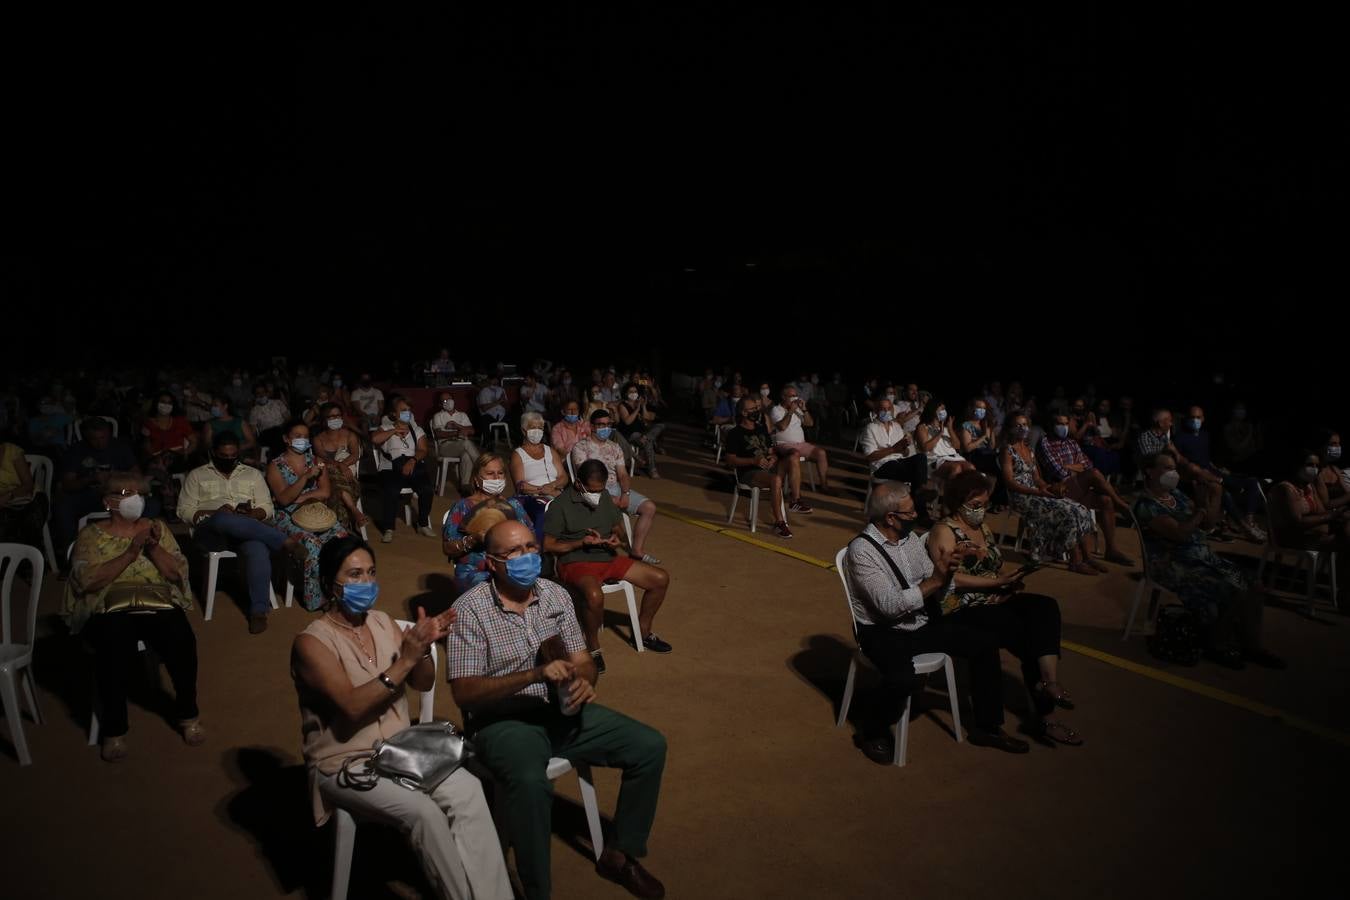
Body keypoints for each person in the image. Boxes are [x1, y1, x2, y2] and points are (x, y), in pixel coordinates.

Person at [448, 520, 668, 900]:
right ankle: (537, 891)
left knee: (649, 746)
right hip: (502, 722)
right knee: (532, 785)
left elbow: (583, 660)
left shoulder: (555, 595)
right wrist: (533, 674)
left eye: (531, 548)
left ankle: (620, 853)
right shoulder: (470, 610)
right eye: (513, 553)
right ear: (492, 563)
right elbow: (465, 694)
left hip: (559, 708)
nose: (526, 558)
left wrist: (584, 681)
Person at [292, 536, 512, 900]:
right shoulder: (312, 643)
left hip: (398, 751)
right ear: (332, 584)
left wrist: (422, 650)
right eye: (355, 574)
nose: (367, 583)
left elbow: (423, 681)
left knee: (470, 791)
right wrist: (406, 658)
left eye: (372, 573)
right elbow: (351, 707)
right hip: (344, 762)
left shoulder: (380, 621)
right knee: (422, 813)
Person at [844, 482, 1030, 763]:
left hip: (919, 623)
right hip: (882, 631)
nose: (916, 515)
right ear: (890, 518)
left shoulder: (908, 540)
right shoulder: (862, 551)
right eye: (909, 513)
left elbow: (936, 580)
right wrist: (934, 580)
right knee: (902, 678)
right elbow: (889, 607)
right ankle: (872, 730)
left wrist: (948, 568)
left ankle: (988, 728)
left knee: (983, 643)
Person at [926, 472, 1082, 745]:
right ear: (957, 502)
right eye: (974, 505)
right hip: (962, 606)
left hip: (994, 597)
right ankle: (1043, 717)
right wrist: (995, 583)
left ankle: (1049, 681)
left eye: (984, 504)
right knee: (1026, 632)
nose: (981, 510)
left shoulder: (984, 529)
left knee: (1044, 607)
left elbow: (995, 567)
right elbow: (949, 578)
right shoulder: (944, 530)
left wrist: (1010, 580)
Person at [64, 472, 204, 761]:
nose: (134, 499)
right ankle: (115, 730)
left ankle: (188, 715)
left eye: (138, 493)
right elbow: (87, 580)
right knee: (112, 649)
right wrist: (131, 552)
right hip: (108, 606)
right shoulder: (91, 535)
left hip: (156, 600)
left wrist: (152, 546)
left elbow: (177, 572)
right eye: (125, 493)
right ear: (108, 501)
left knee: (182, 641)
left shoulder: (157, 528)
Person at [1134, 451, 1285, 668]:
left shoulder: (1177, 495)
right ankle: (1218, 644)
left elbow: (1207, 525)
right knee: (1235, 588)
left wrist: (1212, 498)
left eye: (1174, 468)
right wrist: (1201, 509)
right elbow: (1181, 533)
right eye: (1167, 468)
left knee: (1253, 583)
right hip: (1174, 565)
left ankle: (1252, 646)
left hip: (1203, 559)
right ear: (1149, 471)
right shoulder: (1146, 505)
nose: (1173, 473)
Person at [544, 459, 673, 671]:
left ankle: (643, 631)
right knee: (595, 595)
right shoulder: (560, 506)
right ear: (578, 484)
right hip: (575, 562)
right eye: (592, 490)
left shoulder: (604, 498)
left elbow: (619, 531)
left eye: (601, 489)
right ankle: (592, 647)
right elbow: (548, 545)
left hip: (607, 557)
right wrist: (581, 542)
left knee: (660, 579)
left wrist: (617, 539)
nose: (597, 494)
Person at [179, 432, 303, 633]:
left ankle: (258, 612)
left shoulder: (252, 474)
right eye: (223, 456)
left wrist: (254, 513)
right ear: (213, 453)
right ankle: (284, 542)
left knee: (257, 548)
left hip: (246, 529)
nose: (229, 460)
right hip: (211, 533)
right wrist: (213, 513)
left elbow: (267, 507)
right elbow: (184, 510)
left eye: (233, 456)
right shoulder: (197, 475)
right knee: (223, 519)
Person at [1001, 415, 1103, 575]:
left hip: (1036, 493)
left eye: (1025, 425)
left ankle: (1087, 557)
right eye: (1018, 425)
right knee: (1067, 512)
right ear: (1010, 428)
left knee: (1079, 508)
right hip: (1021, 496)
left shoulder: (1029, 450)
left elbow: (1036, 478)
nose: (1023, 428)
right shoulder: (1007, 451)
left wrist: (1048, 488)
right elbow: (1009, 482)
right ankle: (1075, 561)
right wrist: (1037, 491)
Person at [265, 420, 351, 610]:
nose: (302, 440)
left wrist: (298, 496)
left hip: (315, 513)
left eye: (305, 436)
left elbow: (325, 492)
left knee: (342, 538)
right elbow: (284, 501)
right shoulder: (275, 466)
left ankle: (339, 589)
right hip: (285, 517)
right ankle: (316, 599)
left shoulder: (316, 461)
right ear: (286, 439)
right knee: (312, 545)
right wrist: (305, 477)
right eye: (297, 436)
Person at [1037, 413, 1135, 565]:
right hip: (1058, 491)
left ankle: (1111, 549)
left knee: (1105, 500)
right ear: (1051, 425)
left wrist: (1071, 467)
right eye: (1059, 423)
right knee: (1094, 474)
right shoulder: (1045, 442)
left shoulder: (1072, 443)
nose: (1062, 427)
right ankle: (1121, 504)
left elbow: (1087, 464)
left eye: (1065, 423)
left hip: (1077, 488)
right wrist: (1078, 469)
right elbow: (1059, 472)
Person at [571, 410, 660, 562]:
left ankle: (637, 550)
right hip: (593, 490)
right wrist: (607, 496)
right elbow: (585, 477)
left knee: (649, 507)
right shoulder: (581, 447)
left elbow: (623, 474)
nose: (605, 428)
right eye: (601, 425)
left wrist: (625, 493)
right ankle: (606, 550)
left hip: (616, 487)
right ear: (592, 426)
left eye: (608, 424)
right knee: (611, 506)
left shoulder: (615, 447)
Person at [442, 453, 533, 596]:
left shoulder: (514, 505)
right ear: (477, 479)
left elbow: (532, 538)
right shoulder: (463, 506)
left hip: (512, 568)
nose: (496, 478)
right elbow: (448, 548)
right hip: (475, 571)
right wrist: (473, 540)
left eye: (500, 473)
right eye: (490, 473)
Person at [1173, 405, 1267, 542]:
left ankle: (1250, 521)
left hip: (1213, 471)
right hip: (1198, 475)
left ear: (1203, 419)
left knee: (1253, 482)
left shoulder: (1205, 436)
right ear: (1187, 419)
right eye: (1192, 417)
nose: (1195, 420)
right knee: (1225, 493)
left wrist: (1216, 467)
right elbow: (1181, 463)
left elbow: (1205, 458)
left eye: (1198, 417)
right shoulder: (1180, 438)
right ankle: (1246, 527)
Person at [55, 417, 140, 556]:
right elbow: (68, 484)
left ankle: (134, 550)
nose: (100, 442)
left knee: (149, 504)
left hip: (118, 494)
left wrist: (115, 475)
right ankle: (71, 555)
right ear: (87, 437)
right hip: (88, 495)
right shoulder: (77, 450)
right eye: (94, 439)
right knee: (63, 506)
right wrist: (91, 478)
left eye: (103, 437)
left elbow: (137, 475)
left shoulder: (120, 447)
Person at [723, 396, 797, 537]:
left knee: (792, 457)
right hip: (748, 473)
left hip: (767, 469)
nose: (757, 411)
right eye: (753, 409)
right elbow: (730, 460)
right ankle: (779, 523)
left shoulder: (761, 429)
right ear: (744, 413)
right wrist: (753, 461)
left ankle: (797, 499)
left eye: (757, 408)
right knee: (775, 480)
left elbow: (771, 452)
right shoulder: (735, 433)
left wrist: (773, 458)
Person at [370, 396, 436, 542]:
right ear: (394, 414)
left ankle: (423, 523)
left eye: (409, 410)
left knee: (426, 489)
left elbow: (423, 449)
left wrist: (413, 460)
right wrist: (394, 431)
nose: (408, 413)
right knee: (391, 490)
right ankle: (389, 528)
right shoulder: (386, 427)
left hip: (412, 464)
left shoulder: (416, 429)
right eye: (403, 410)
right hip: (391, 467)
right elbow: (375, 439)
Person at [859, 397, 928, 517]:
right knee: (908, 471)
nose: (886, 412)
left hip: (899, 461)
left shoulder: (896, 427)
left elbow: (905, 453)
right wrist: (893, 449)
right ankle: (919, 503)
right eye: (882, 409)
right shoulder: (870, 428)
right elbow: (870, 456)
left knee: (920, 458)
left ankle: (918, 493)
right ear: (876, 411)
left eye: (888, 409)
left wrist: (905, 447)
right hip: (882, 465)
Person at [511, 412, 569, 541]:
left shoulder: (550, 451)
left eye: (540, 428)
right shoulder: (518, 454)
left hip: (556, 493)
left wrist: (552, 486)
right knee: (542, 513)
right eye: (532, 427)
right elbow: (521, 485)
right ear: (523, 430)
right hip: (533, 497)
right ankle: (542, 550)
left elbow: (563, 477)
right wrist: (543, 490)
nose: (537, 431)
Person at [310, 402, 367, 531]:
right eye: (331, 416)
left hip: (349, 479)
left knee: (335, 486)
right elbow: (323, 459)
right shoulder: (318, 439)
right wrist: (340, 465)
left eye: (338, 415)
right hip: (329, 479)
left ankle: (340, 529)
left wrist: (343, 465)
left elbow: (355, 455)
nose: (336, 419)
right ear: (324, 420)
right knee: (331, 474)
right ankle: (353, 509)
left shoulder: (349, 435)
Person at [140, 391, 198, 514]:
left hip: (177, 458)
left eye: (169, 403)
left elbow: (194, 441)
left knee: (167, 456)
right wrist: (149, 446)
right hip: (157, 459)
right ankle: (170, 508)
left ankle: (144, 482)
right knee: (161, 462)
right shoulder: (148, 423)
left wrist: (186, 453)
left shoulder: (180, 421)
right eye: (162, 402)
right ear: (156, 404)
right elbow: (147, 447)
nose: (165, 405)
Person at [769, 385, 832, 494]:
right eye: (792, 396)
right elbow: (782, 427)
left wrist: (804, 409)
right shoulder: (776, 410)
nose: (795, 398)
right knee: (795, 453)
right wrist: (790, 412)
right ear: (784, 397)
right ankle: (794, 492)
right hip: (784, 444)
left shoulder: (798, 409)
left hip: (801, 444)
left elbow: (810, 423)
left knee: (821, 453)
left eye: (796, 395)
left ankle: (824, 486)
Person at [915, 399, 974, 492]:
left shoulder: (946, 428)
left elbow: (957, 446)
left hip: (953, 458)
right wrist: (939, 433)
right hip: (935, 460)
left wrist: (950, 429)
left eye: (944, 409)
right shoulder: (923, 427)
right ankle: (947, 500)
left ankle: (967, 498)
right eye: (941, 409)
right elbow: (925, 448)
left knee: (970, 467)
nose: (944, 412)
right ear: (933, 410)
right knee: (956, 469)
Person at [0, 438, 46, 550]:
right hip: (3, 500)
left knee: (26, 518)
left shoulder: (11, 451)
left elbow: (28, 484)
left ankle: (29, 558)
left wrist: (8, 496)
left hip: (27, 495)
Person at [430, 390, 480, 493]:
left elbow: (472, 431)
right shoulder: (438, 416)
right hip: (446, 446)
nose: (447, 401)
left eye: (449, 399)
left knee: (466, 454)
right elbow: (439, 434)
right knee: (467, 443)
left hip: (461, 444)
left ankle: (465, 486)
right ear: (440, 404)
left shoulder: (462, 415)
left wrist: (457, 426)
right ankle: (482, 467)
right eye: (444, 400)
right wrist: (458, 433)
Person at [616, 382, 665, 479]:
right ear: (626, 393)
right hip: (630, 434)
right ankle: (652, 469)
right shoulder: (622, 405)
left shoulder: (638, 403)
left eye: (635, 391)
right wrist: (637, 409)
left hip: (643, 434)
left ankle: (646, 437)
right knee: (648, 442)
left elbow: (647, 417)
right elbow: (627, 422)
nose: (634, 393)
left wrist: (643, 406)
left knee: (661, 425)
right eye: (631, 391)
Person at [201, 396, 258, 462]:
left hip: (241, 454)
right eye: (212, 405)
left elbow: (252, 442)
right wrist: (223, 450)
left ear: (225, 406)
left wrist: (235, 449)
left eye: (215, 405)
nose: (213, 408)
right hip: (220, 456)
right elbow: (208, 444)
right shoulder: (210, 424)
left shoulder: (240, 422)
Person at [248, 383, 291, 455]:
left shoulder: (278, 403)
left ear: (267, 393)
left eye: (263, 392)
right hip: (266, 434)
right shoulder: (254, 411)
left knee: (280, 435)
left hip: (281, 429)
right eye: (258, 393)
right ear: (255, 395)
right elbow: (253, 431)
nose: (261, 395)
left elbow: (288, 419)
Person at [1318, 431, 1350, 508]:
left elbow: (1347, 492)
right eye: (1333, 444)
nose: (1338, 447)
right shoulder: (1317, 472)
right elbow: (1326, 504)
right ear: (1322, 446)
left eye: (1339, 443)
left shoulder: (1334, 469)